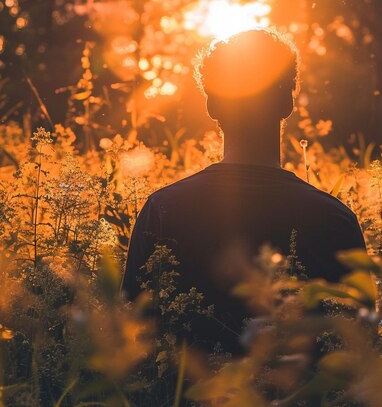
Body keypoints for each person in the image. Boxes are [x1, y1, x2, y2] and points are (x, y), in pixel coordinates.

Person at [122, 28, 365, 353]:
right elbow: (358, 352)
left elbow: (134, 337)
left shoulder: (164, 210)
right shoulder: (335, 221)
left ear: (212, 105)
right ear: (287, 102)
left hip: (185, 402)